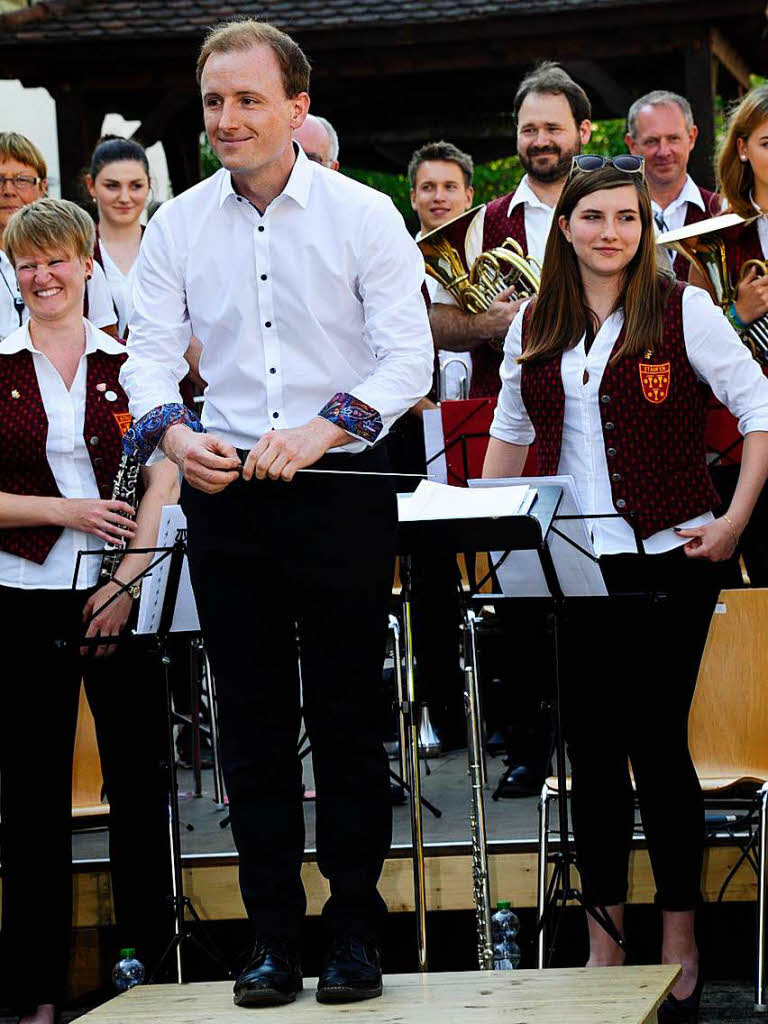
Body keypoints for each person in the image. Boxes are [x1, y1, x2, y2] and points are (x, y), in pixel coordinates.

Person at [120, 18, 433, 1009]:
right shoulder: (174, 228)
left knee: (346, 716)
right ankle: (271, 942)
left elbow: (406, 359)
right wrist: (173, 434)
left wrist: (322, 428)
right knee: (247, 727)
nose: (226, 118)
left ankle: (353, 936)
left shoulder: (361, 215)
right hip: (225, 498)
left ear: (297, 108)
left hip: (339, 490)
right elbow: (145, 356)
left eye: (248, 99)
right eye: (214, 100)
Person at [483, 157, 768, 1023]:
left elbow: (760, 413)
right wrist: (490, 546)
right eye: (595, 217)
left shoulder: (682, 307)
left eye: (628, 219)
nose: (612, 233)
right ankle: (605, 936)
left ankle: (680, 936)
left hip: (668, 556)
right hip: (570, 557)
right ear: (564, 226)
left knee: (655, 742)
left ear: (644, 230)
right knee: (591, 752)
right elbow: (508, 433)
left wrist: (731, 524)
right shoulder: (533, 321)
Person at [0, 197, 179, 1024]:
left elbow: (163, 479)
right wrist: (67, 515)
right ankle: (36, 990)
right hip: (20, 599)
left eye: (57, 260)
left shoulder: (129, 364)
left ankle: (155, 972)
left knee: (141, 786)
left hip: (120, 596)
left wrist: (126, 581)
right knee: (29, 799)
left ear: (86, 265)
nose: (43, 276)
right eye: (27, 264)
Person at [429, 61, 592, 398]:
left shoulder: (616, 212)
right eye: (529, 130)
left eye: (553, 128)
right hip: (509, 407)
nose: (540, 140)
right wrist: (483, 324)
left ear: (584, 131)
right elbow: (435, 322)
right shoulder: (480, 222)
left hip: (603, 397)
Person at [683, 82, 768, 587]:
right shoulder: (717, 231)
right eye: (766, 143)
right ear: (742, 148)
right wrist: (740, 313)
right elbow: (692, 338)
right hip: (742, 436)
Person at [0, 132, 117, 340]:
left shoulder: (81, 265)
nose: (8, 190)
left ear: (43, 187)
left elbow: (106, 349)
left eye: (22, 180)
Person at [625, 90, 721, 279]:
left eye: (673, 138)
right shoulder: (615, 215)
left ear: (692, 137)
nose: (664, 151)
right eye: (651, 141)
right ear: (632, 145)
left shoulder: (721, 211)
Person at [409, 139, 475, 395]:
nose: (439, 197)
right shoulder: (390, 264)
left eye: (450, 187)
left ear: (468, 196)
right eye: (428, 187)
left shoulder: (490, 265)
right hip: (414, 422)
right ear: (414, 198)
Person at [85, 135, 151, 337]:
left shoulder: (168, 248)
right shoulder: (76, 251)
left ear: (149, 185)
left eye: (136, 186)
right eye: (112, 186)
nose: (124, 197)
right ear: (91, 185)